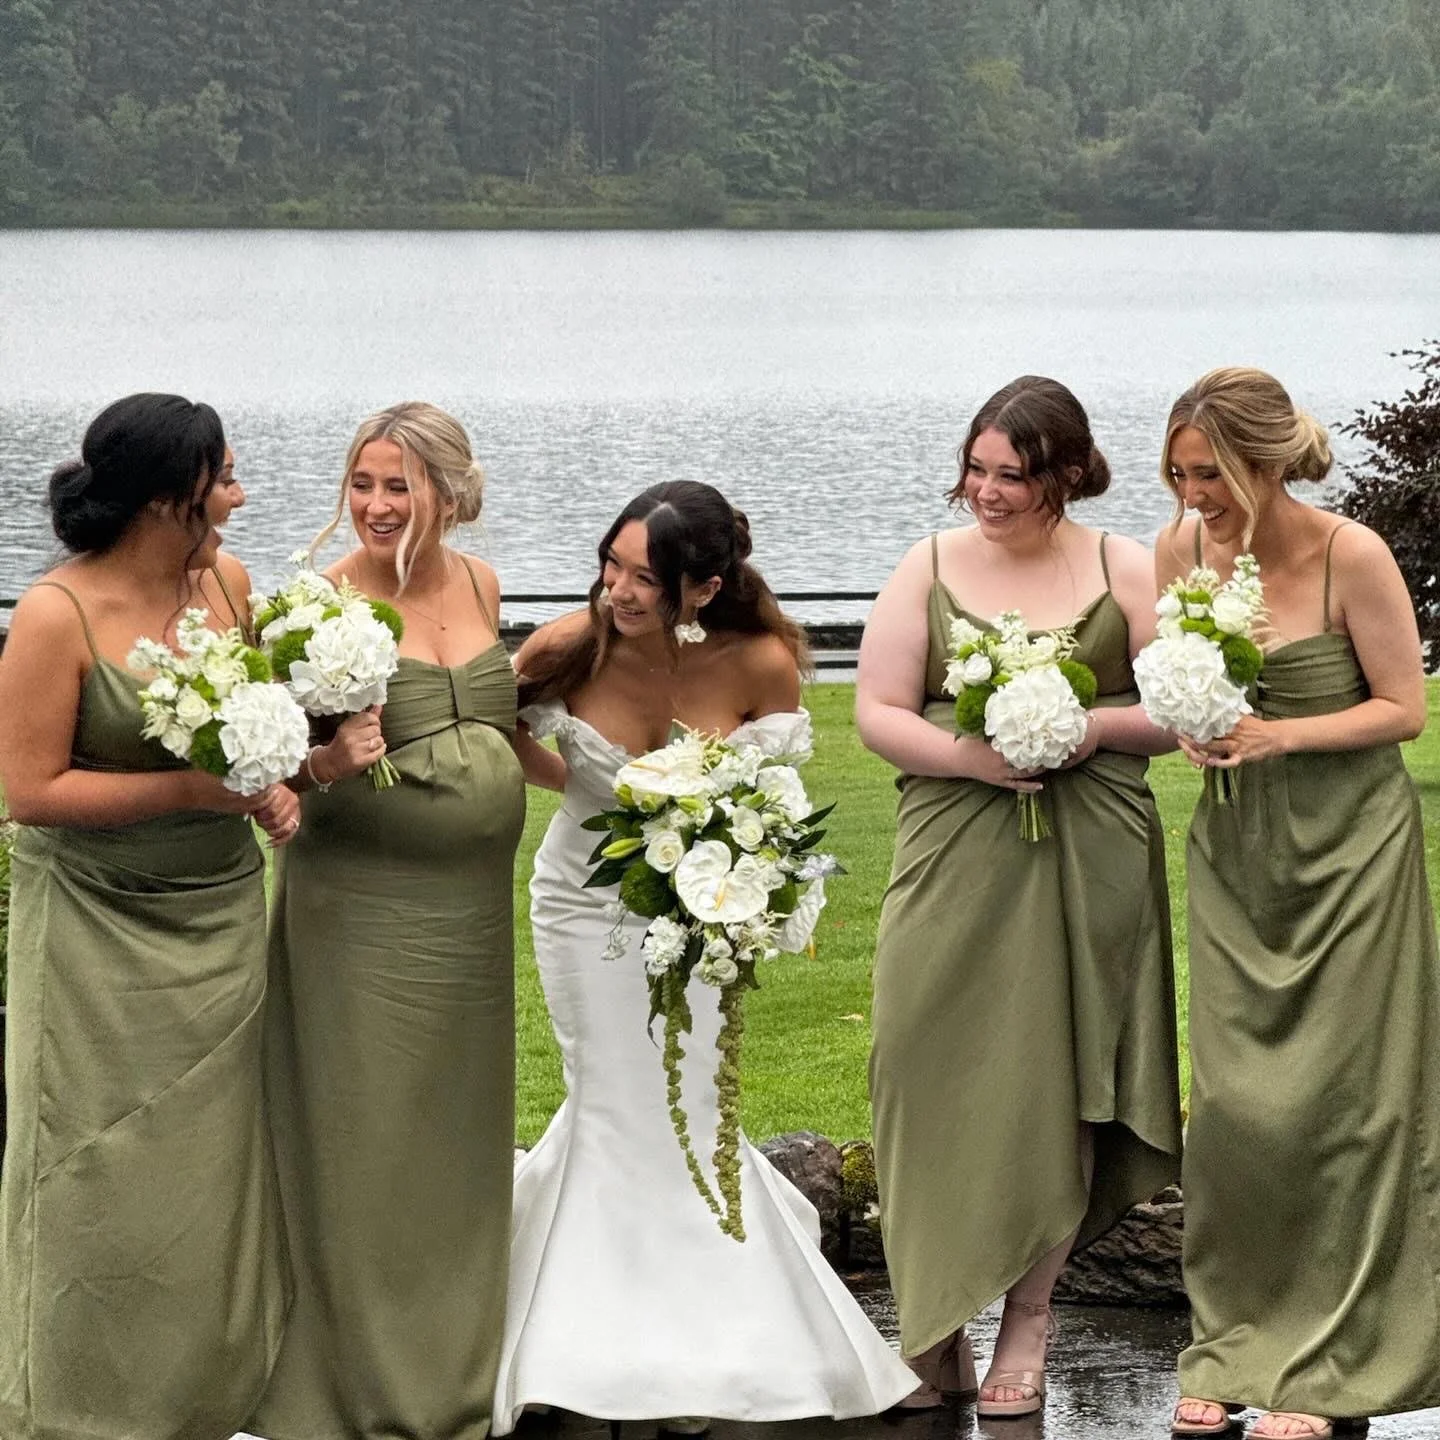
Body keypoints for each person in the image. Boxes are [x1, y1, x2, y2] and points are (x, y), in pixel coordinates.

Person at [492, 479, 918, 1434]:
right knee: (612, 1096)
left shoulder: (762, 661)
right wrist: (600, 793)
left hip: (702, 910)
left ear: (707, 585)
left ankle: (709, 1328)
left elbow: (769, 805)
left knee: (687, 1100)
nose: (619, 592)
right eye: (611, 566)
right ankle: (591, 1343)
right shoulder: (572, 647)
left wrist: (730, 876)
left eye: (645, 577)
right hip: (580, 901)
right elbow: (510, 735)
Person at [857, 376, 1184, 1418]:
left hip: (1090, 852)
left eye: (1013, 474)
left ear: (1067, 472)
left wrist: (1083, 728)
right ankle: (933, 1322)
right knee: (921, 1064)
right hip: (956, 842)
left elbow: (1181, 711)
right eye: (979, 468)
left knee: (1060, 1077)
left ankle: (1029, 1320)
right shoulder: (930, 565)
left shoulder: (1121, 566)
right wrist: (974, 757)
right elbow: (875, 711)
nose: (987, 493)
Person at [0, 393, 298, 1440]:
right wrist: (193, 793)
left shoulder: (228, 583)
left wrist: (276, 783)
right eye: (223, 477)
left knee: (206, 1172)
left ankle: (201, 1401)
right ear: (169, 499)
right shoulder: (55, 614)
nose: (240, 492)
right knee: (88, 1168)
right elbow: (28, 792)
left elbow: (255, 731)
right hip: (93, 928)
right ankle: (71, 1409)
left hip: (217, 913)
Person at [1159, 368, 1440, 1440]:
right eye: (1182, 474)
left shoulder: (1349, 554)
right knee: (1238, 1109)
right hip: (1238, 849)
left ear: (1267, 461)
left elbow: (1404, 710)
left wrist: (1280, 734)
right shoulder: (1179, 549)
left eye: (1212, 473)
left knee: (1349, 1107)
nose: (1196, 495)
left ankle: (1332, 1370)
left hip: (1353, 850)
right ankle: (1233, 1345)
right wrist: (1194, 723)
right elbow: (1175, 672)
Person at [245, 403, 526, 1440]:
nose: (373, 505)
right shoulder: (313, 608)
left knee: (452, 1142)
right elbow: (262, 779)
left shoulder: (485, 584)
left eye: (397, 486)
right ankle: (354, 1387)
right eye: (361, 484)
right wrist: (321, 765)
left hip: (471, 923)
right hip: (356, 916)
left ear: (449, 491)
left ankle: (457, 1370)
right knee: (363, 1140)